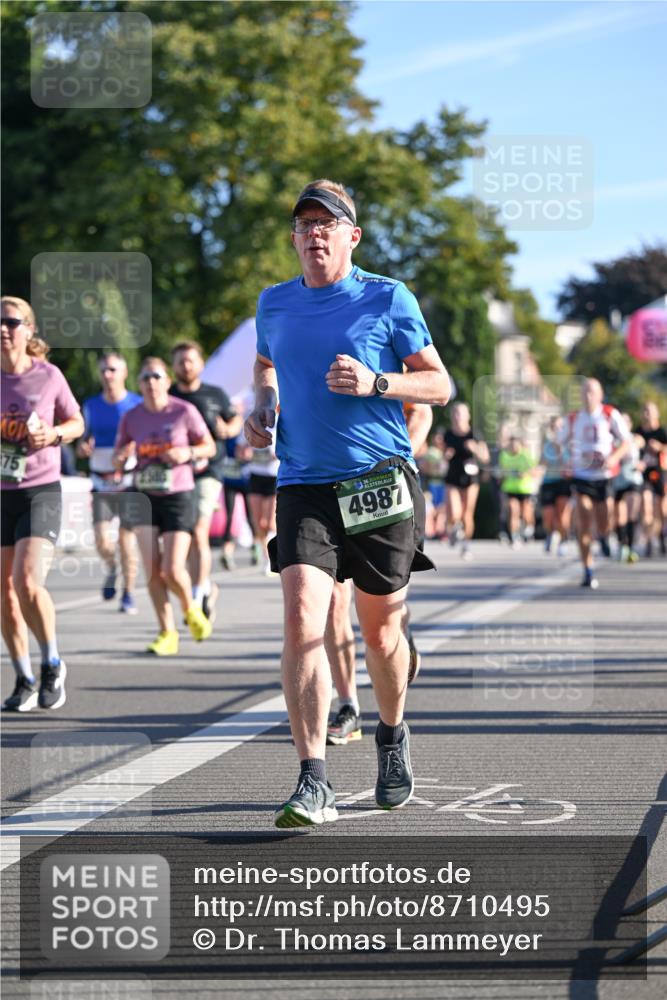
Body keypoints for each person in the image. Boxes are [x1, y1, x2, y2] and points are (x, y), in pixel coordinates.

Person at [244, 179, 450, 827]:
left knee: (380, 628)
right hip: (302, 482)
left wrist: (377, 381)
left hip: (375, 483)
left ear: (350, 236)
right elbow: (265, 365)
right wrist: (263, 402)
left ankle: (391, 733)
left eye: (326, 224)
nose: (313, 233)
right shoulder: (272, 304)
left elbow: (439, 384)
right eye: (303, 224)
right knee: (303, 620)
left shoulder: (386, 297)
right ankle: (312, 779)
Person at [326, 401, 434, 747]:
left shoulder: (377, 350)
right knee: (332, 600)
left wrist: (399, 456)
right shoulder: (297, 349)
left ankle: (397, 619)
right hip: (319, 483)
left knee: (379, 616)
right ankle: (348, 707)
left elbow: (423, 407)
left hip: (379, 482)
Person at [1, 296, 84, 711]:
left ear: (29, 330)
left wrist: (51, 435)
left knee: (26, 583)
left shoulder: (48, 376)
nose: (3, 329)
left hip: (39, 490)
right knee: (4, 594)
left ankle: (51, 661)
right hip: (2, 494)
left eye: (11, 322)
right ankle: (23, 676)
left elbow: (76, 422)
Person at [113, 357, 216, 655]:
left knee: (172, 569)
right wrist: (122, 456)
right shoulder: (132, 417)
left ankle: (191, 608)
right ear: (139, 383)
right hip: (144, 495)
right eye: (145, 377)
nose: (151, 382)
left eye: (157, 376)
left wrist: (187, 453)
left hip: (178, 494)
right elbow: (119, 454)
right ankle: (166, 632)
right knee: (152, 569)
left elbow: (208, 446)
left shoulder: (184, 411)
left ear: (167, 381)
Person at [170, 341, 242, 620]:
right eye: (180, 362)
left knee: (199, 530)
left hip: (209, 471)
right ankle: (207, 586)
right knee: (184, 536)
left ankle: (198, 593)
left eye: (190, 360)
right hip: (175, 474)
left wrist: (229, 428)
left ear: (200, 364)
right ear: (173, 367)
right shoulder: (169, 396)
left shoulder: (214, 394)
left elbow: (233, 420)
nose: (185, 366)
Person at [77, 353, 142, 613]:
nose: (107, 375)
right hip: (100, 481)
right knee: (102, 541)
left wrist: (131, 450)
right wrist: (82, 448)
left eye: (112, 370)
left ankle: (128, 594)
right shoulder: (91, 405)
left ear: (124, 373)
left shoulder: (136, 404)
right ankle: (112, 567)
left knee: (126, 540)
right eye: (103, 370)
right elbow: (82, 441)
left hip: (128, 481)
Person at [561, 378, 630, 589]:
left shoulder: (609, 414)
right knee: (583, 520)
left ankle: (604, 536)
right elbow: (557, 441)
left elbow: (626, 442)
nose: (588, 396)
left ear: (600, 395)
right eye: (585, 392)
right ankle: (588, 570)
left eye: (592, 392)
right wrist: (567, 461)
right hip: (582, 476)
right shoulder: (574, 418)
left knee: (604, 521)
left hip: (604, 476)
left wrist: (613, 458)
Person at [444, 402, 490, 559]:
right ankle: (452, 530)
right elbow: (441, 455)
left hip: (471, 477)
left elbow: (485, 458)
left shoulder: (475, 434)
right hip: (452, 476)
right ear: (452, 416)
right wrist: (446, 455)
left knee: (466, 514)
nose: (458, 417)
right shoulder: (447, 434)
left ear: (468, 416)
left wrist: (475, 449)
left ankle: (466, 545)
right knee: (454, 513)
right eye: (455, 413)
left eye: (461, 413)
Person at [635, 401, 667, 557]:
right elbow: (630, 448)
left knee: (662, 509)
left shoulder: (662, 432)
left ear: (657, 414)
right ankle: (648, 541)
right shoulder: (638, 432)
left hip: (660, 474)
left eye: (650, 411)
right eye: (645, 411)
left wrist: (660, 448)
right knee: (646, 505)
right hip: (644, 475)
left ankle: (661, 538)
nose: (647, 414)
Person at [538, 415, 572, 557]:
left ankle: (563, 541)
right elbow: (542, 464)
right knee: (548, 515)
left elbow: (569, 465)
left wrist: (560, 450)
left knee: (562, 516)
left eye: (560, 427)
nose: (557, 430)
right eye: (554, 427)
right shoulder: (547, 446)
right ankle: (550, 534)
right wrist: (535, 471)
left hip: (563, 482)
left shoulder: (569, 445)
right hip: (548, 482)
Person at [613, 413, 644, 563]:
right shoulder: (613, 440)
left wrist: (642, 463)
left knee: (632, 513)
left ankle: (631, 547)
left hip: (634, 479)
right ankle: (622, 544)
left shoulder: (635, 439)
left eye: (626, 422)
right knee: (620, 516)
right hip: (618, 481)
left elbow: (645, 452)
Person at [498, 436, 537, 546]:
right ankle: (514, 536)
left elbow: (535, 471)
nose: (513, 447)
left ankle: (529, 527)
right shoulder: (504, 455)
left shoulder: (525, 455)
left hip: (525, 489)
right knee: (513, 510)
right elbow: (501, 471)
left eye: (515, 445)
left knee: (526, 513)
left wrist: (525, 474)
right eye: (511, 445)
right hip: (510, 489)